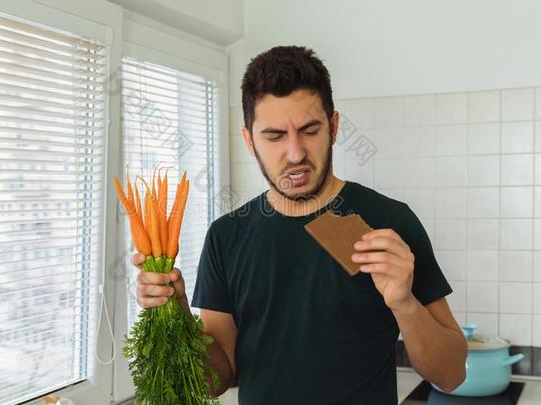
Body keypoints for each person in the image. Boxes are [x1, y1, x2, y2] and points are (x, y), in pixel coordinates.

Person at [131, 45, 467, 404]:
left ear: (334, 127)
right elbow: (216, 379)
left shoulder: (390, 223)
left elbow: (451, 375)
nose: (295, 154)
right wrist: (176, 309)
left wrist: (404, 303)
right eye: (274, 136)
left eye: (309, 130)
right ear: (249, 140)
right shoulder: (226, 236)